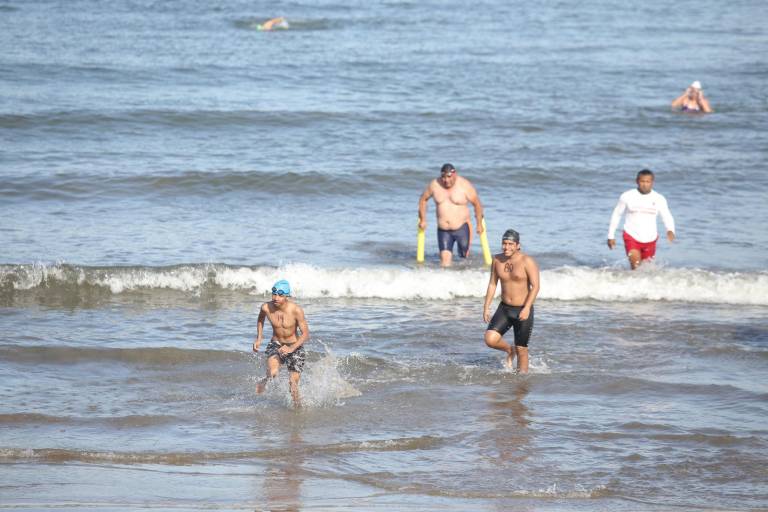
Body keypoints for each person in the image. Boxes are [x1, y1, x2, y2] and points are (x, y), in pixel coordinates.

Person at [483, 229, 540, 373]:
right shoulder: (497, 260)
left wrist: (527, 308)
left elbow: (536, 286)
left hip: (522, 310)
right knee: (490, 339)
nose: (506, 247)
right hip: (504, 308)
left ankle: (521, 383)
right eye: (504, 243)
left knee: (522, 349)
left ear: (517, 245)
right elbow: (492, 284)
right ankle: (509, 350)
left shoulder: (527, 261)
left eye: (510, 244)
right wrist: (486, 307)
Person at [253, 279, 309, 406]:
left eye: (280, 295)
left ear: (287, 296)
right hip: (276, 344)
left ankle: (297, 409)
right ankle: (266, 379)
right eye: (274, 294)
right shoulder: (266, 307)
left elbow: (306, 334)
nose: (276, 297)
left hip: (295, 347)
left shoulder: (296, 310)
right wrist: (259, 338)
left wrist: (291, 348)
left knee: (292, 385)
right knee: (273, 372)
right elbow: (260, 319)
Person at [418, 163, 486, 267]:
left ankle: (467, 279)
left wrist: (479, 224)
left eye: (449, 177)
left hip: (462, 228)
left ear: (454, 175)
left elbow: (477, 204)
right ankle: (446, 281)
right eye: (443, 177)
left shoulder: (464, 185)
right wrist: (423, 219)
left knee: (464, 260)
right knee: (444, 262)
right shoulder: (434, 185)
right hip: (443, 230)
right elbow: (423, 199)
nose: (446, 180)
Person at [607, 169, 676, 270]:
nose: (645, 184)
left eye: (648, 182)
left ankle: (640, 285)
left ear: (652, 182)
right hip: (631, 236)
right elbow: (616, 215)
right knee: (636, 266)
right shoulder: (627, 196)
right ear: (637, 181)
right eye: (642, 181)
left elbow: (666, 215)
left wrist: (670, 230)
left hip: (650, 239)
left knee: (646, 270)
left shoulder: (659, 198)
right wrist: (611, 236)